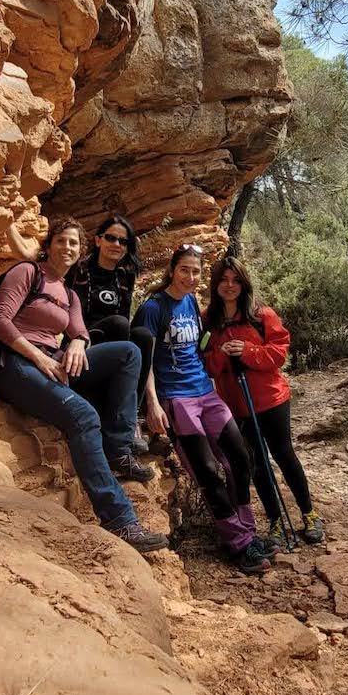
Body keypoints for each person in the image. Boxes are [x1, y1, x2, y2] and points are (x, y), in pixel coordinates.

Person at [0, 217, 164, 554]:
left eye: (74, 243)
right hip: (9, 360)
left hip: (50, 358)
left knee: (129, 351)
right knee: (83, 417)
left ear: (80, 250)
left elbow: (80, 330)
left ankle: (118, 446)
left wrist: (77, 344)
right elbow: (0, 318)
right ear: (49, 244)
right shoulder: (27, 272)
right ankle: (120, 521)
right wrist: (39, 358)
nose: (67, 248)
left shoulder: (68, 293)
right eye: (61, 241)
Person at [133, 244, 274, 577]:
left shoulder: (192, 302)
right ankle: (239, 543)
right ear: (172, 270)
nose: (190, 277)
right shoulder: (153, 308)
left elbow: (198, 347)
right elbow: (144, 361)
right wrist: (152, 403)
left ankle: (247, 530)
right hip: (177, 399)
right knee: (207, 470)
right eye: (184, 270)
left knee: (240, 457)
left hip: (205, 393)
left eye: (196, 271)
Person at [203, 257, 325, 546]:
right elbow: (206, 364)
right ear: (216, 284)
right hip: (236, 403)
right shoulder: (207, 320)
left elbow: (279, 353)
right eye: (224, 280)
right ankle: (274, 521)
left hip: (271, 398)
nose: (230, 286)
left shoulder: (261, 315)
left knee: (284, 454)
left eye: (236, 280)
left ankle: (309, 513)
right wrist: (222, 352)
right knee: (256, 463)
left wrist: (247, 351)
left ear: (244, 284)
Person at [66, 215, 153, 450]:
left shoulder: (125, 276)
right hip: (82, 342)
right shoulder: (79, 270)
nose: (116, 245)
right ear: (97, 240)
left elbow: (124, 313)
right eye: (111, 238)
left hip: (116, 340)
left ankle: (131, 413)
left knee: (143, 335)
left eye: (123, 242)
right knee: (119, 324)